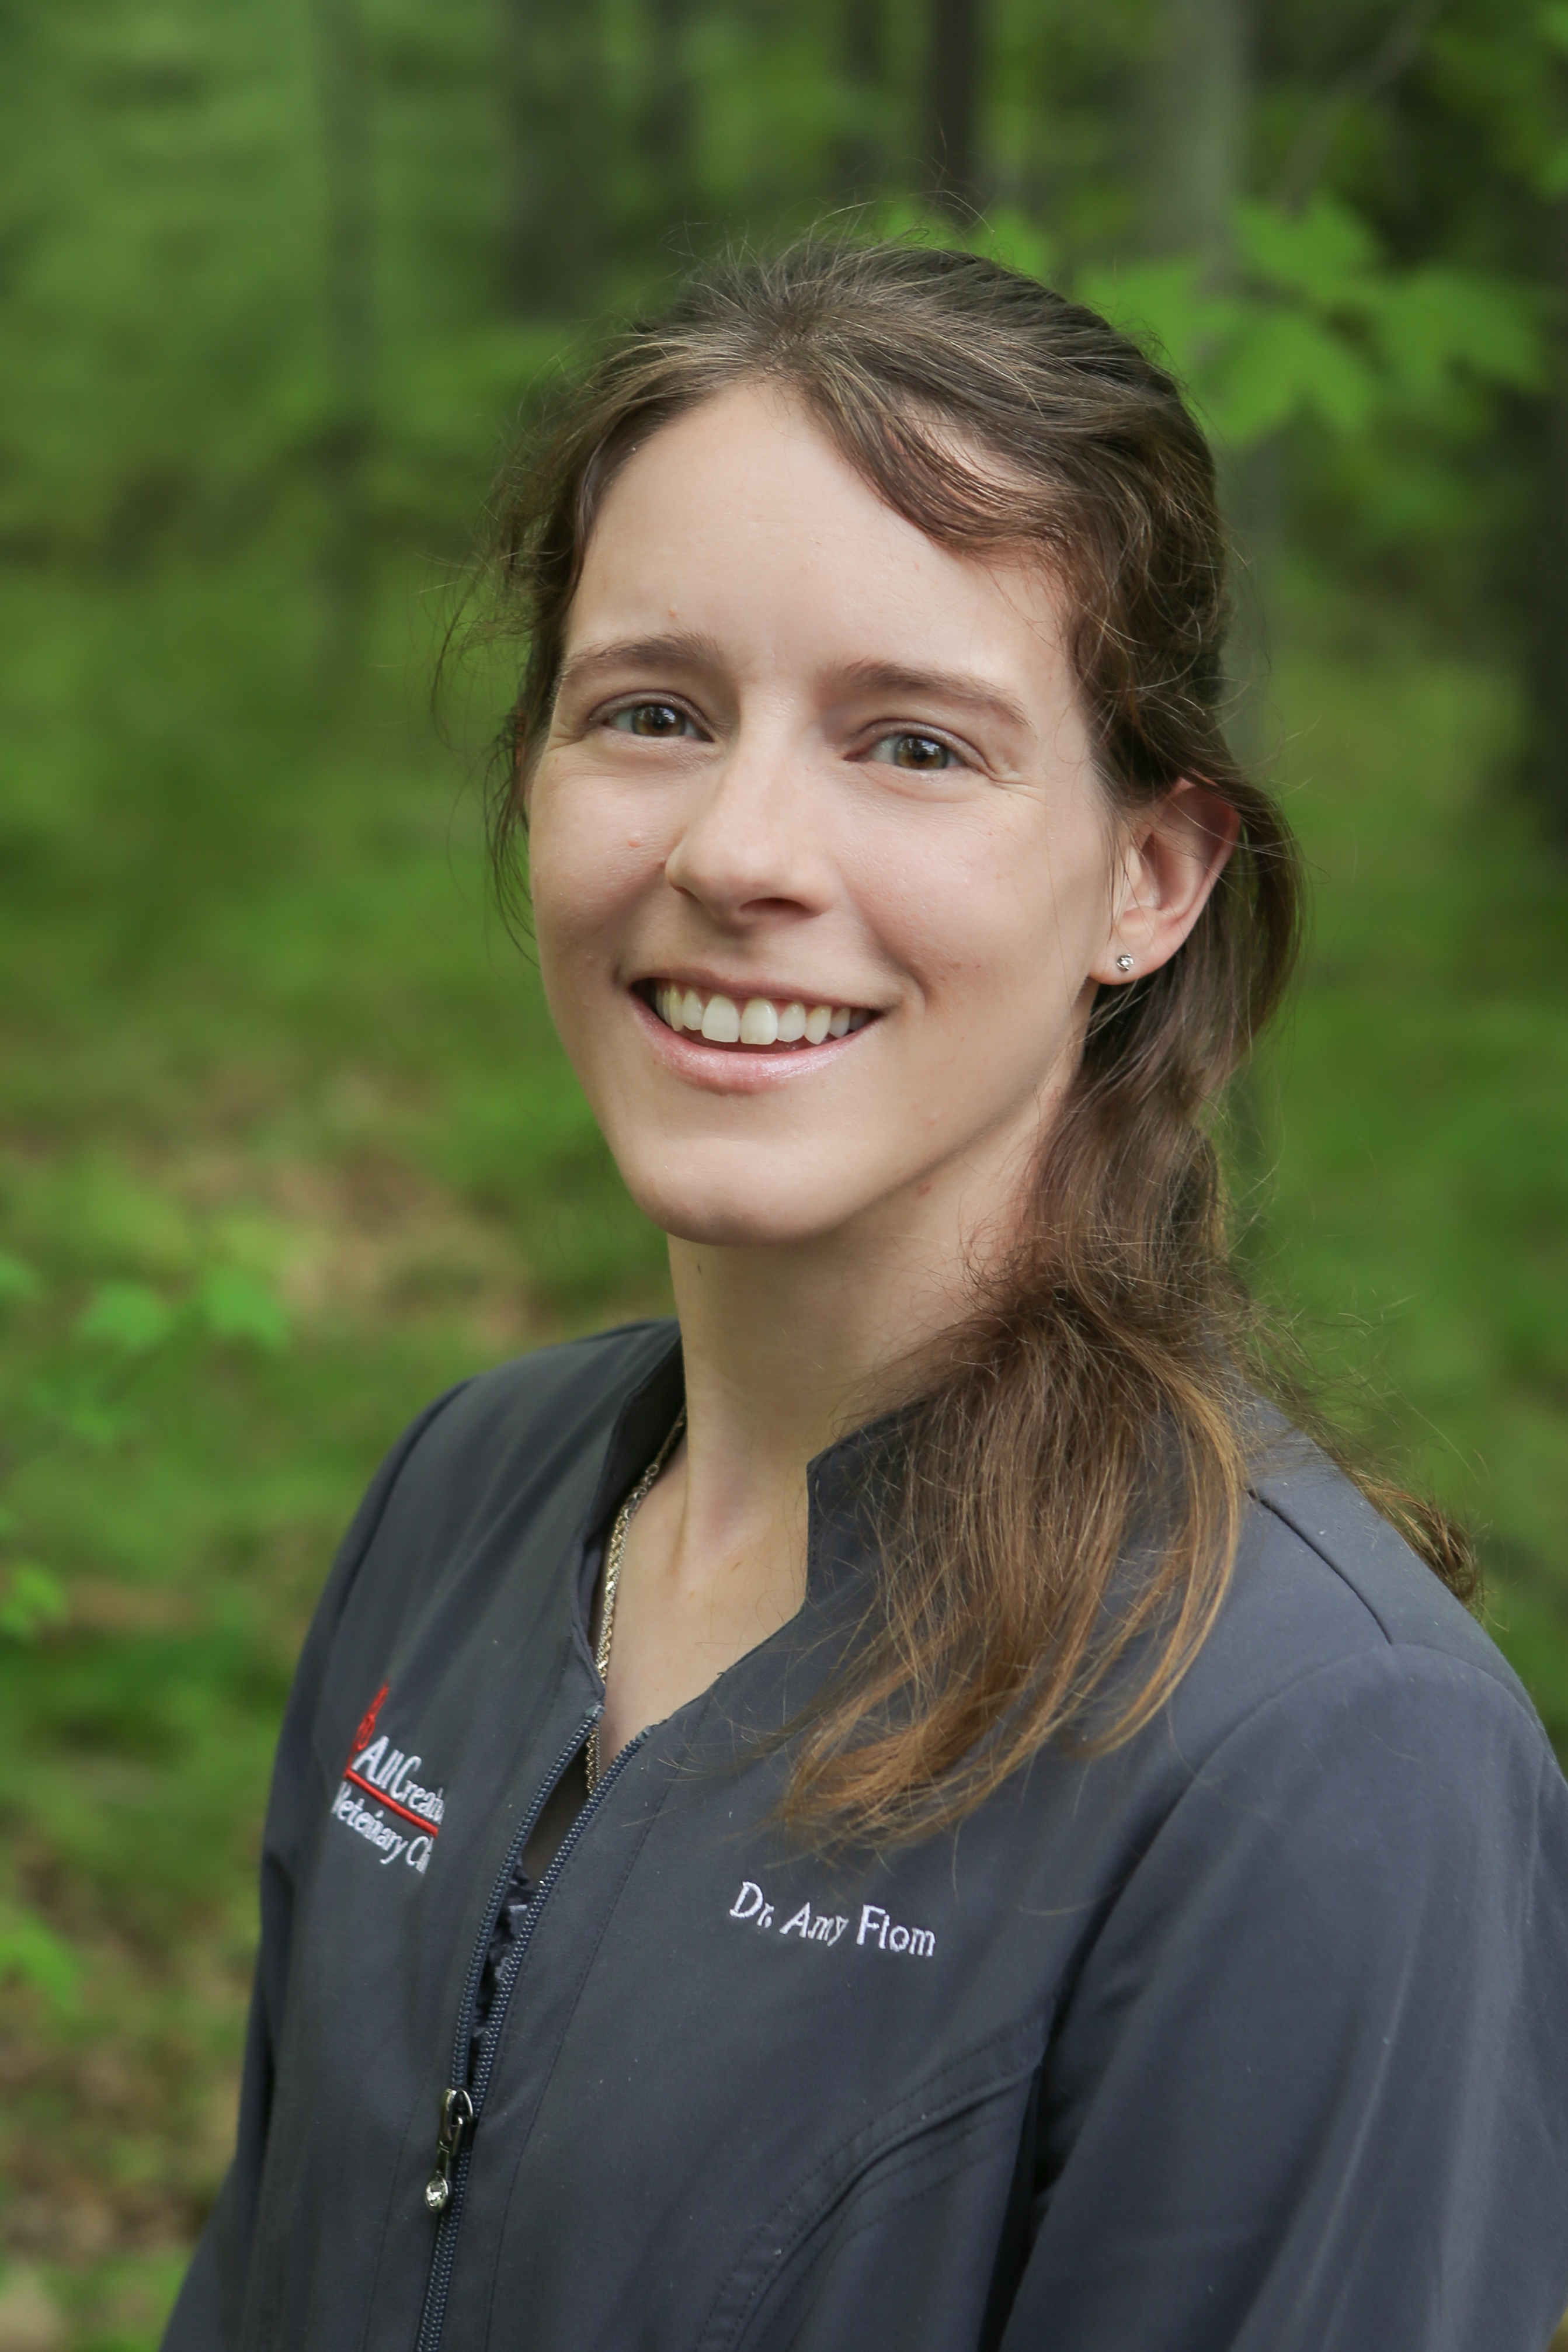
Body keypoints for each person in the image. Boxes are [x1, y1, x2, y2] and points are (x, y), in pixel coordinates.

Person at [162, 239, 1568, 2352]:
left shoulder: (1323, 1754)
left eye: (911, 744)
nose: (738, 846)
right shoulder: (467, 1494)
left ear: (1148, 878)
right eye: (653, 711)